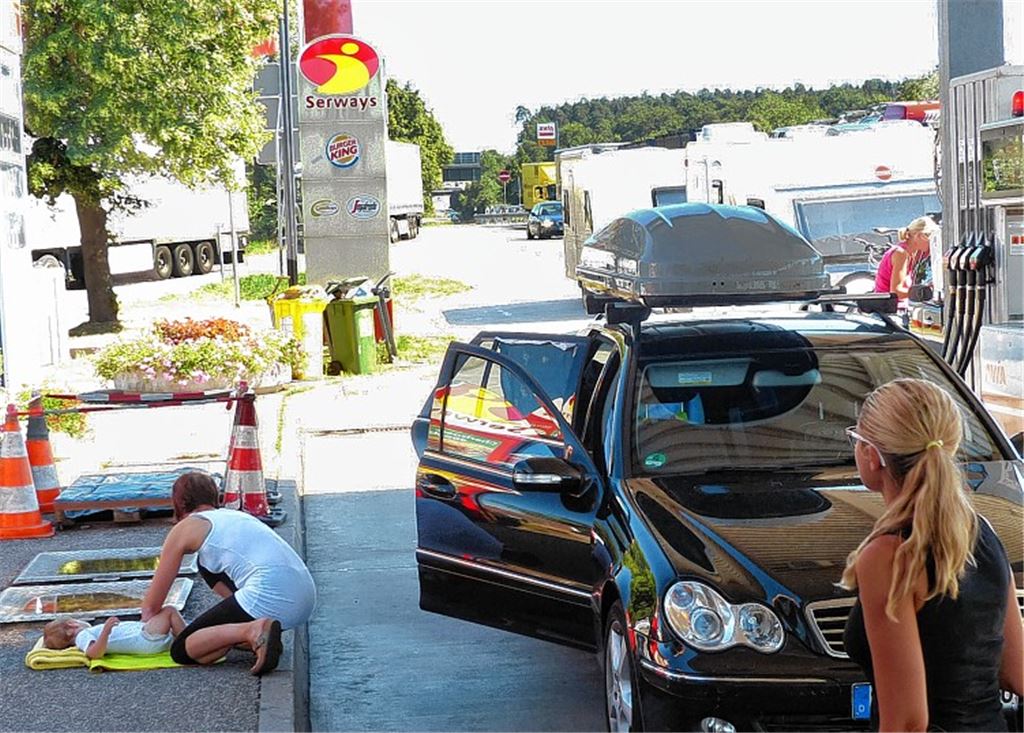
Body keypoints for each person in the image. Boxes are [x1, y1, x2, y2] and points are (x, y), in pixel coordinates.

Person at [841, 378, 1023, 731]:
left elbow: (907, 722)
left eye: (857, 439)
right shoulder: (980, 531)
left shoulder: (888, 556)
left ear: (872, 456)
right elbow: (1016, 674)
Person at [140, 472, 316, 676]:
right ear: (215, 496)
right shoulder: (235, 516)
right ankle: (254, 635)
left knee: (182, 650)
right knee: (205, 564)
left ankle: (251, 630)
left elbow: (151, 607)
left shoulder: (185, 528)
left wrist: (141, 634)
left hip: (271, 596)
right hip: (304, 597)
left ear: (178, 503)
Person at [42, 606, 185, 660]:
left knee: (164, 618)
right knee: (169, 611)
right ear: (72, 625)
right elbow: (93, 653)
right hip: (145, 638)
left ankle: (184, 635)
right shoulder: (82, 636)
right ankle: (187, 641)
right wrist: (106, 630)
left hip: (147, 637)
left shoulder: (84, 635)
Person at [873, 216, 939, 300]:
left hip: (895, 306)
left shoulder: (912, 253)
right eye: (931, 238)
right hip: (889, 308)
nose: (932, 243)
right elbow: (896, 292)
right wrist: (923, 293)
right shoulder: (901, 254)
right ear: (919, 236)